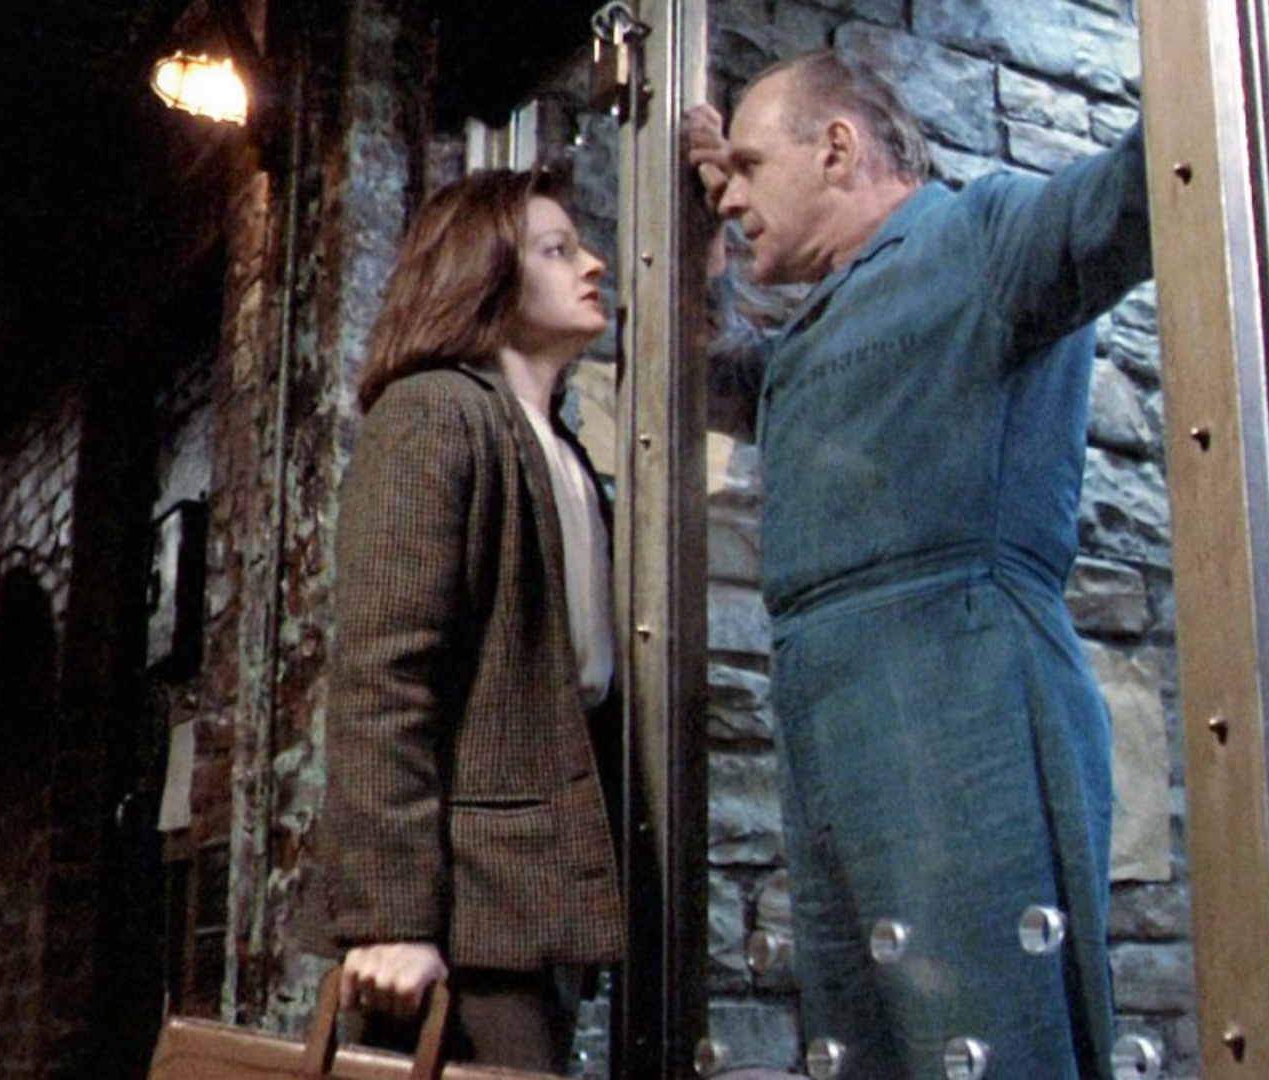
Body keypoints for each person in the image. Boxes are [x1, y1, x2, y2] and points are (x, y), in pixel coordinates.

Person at [684, 49, 1152, 1078]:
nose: (733, 198)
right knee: (869, 1049)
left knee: (991, 1042)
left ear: (837, 148)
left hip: (964, 698)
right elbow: (707, 372)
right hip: (835, 711)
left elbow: (1140, 192)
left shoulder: (982, 237)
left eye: (751, 168)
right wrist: (691, 228)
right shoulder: (820, 327)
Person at [308, 167, 624, 1072]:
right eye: (557, 250)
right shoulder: (434, 414)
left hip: (533, 902)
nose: (593, 265)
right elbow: (384, 673)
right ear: (484, 275)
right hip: (466, 916)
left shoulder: (557, 449)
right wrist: (391, 918)